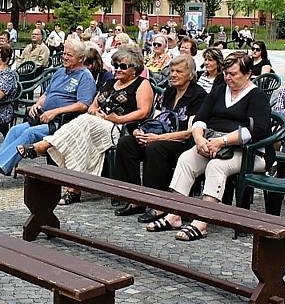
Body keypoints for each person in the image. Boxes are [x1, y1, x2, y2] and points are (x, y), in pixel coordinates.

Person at [147, 52, 271, 240]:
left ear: (247, 74)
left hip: (248, 151)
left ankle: (202, 221)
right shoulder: (220, 90)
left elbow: (257, 131)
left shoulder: (257, 96)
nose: (228, 78)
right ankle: (174, 214)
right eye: (226, 73)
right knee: (186, 159)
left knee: (216, 166)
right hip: (212, 143)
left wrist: (223, 141)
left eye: (233, 74)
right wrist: (199, 139)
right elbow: (200, 119)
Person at [16, 46, 154, 205]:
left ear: (135, 69)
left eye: (123, 66)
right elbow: (92, 107)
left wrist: (117, 119)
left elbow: (143, 112)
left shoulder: (142, 84)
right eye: (115, 65)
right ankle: (73, 189)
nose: (117, 69)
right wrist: (96, 113)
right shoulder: (110, 83)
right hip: (96, 123)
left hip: (121, 129)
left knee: (83, 122)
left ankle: (45, 145)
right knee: (79, 139)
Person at [0, 39, 96, 187]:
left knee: (30, 134)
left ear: (81, 58)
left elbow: (83, 105)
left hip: (62, 122)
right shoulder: (60, 72)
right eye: (64, 53)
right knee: (15, 130)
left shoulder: (85, 76)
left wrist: (55, 111)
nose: (65, 57)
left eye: (70, 55)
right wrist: (37, 104)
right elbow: (46, 94)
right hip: (42, 117)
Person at [114, 55, 207, 220]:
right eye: (171, 71)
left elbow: (190, 131)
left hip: (182, 143)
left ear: (191, 75)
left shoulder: (198, 95)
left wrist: (158, 138)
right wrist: (140, 132)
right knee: (126, 143)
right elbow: (155, 118)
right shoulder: (169, 92)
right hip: (157, 136)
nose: (173, 75)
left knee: (155, 148)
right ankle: (134, 198)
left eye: (179, 71)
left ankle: (157, 203)